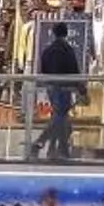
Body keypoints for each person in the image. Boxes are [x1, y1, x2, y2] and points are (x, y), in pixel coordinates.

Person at [31, 19, 85, 159]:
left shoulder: (48, 50)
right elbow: (74, 71)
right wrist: (81, 89)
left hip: (51, 87)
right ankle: (42, 142)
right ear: (66, 33)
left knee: (60, 117)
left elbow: (43, 70)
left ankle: (57, 148)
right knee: (60, 117)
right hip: (64, 87)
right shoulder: (68, 50)